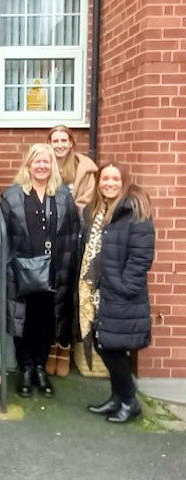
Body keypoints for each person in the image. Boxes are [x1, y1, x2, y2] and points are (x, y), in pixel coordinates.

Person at [2, 143, 79, 399]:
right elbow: (3, 238)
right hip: (21, 271)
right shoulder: (12, 195)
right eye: (37, 161)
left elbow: (71, 236)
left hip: (54, 272)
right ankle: (25, 370)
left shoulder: (64, 196)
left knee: (47, 323)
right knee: (23, 322)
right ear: (28, 164)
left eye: (47, 161)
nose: (42, 166)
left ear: (52, 165)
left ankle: (40, 369)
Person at [80, 163, 154, 423]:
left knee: (112, 348)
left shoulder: (134, 212)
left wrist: (124, 287)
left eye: (114, 179)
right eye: (104, 178)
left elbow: (141, 257)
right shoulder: (98, 211)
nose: (109, 183)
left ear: (123, 181)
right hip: (98, 290)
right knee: (103, 344)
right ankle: (117, 398)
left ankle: (130, 402)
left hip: (119, 293)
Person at [45, 125, 98, 376]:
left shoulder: (83, 169)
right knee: (49, 294)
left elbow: (85, 204)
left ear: (71, 143)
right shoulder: (43, 164)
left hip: (73, 238)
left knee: (68, 295)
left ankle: (64, 346)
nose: (59, 145)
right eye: (55, 140)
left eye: (64, 140)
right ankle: (49, 346)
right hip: (47, 238)